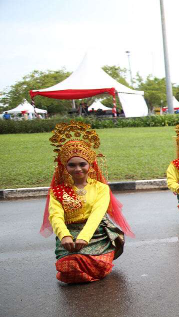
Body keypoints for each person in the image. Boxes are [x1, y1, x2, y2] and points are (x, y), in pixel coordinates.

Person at [41, 121, 134, 284]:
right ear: (64, 167)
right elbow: (55, 215)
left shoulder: (101, 188)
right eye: (72, 165)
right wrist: (64, 236)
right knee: (69, 267)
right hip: (69, 236)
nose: (78, 169)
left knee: (99, 266)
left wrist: (84, 237)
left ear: (90, 165)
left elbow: (97, 214)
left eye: (82, 164)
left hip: (96, 233)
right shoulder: (57, 191)